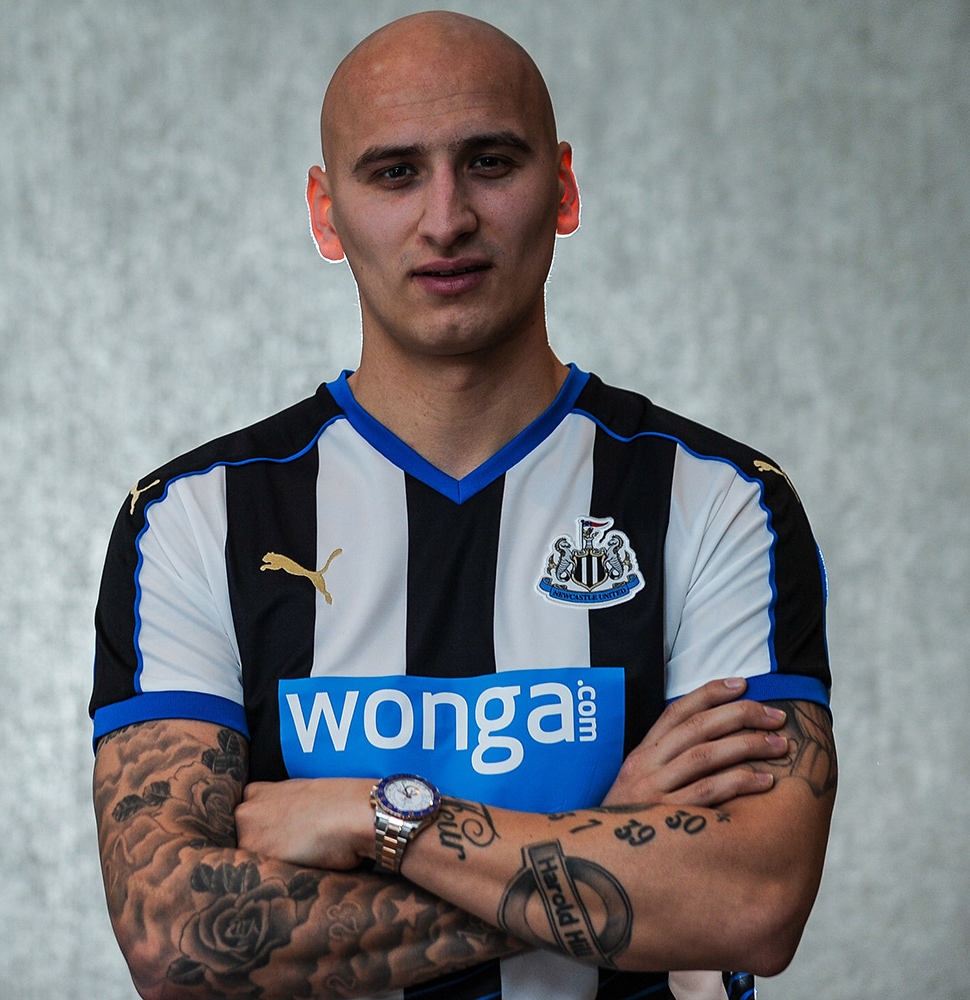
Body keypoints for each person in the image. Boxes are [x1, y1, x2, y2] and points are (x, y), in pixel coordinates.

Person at [89, 12, 836, 1000]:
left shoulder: (721, 502)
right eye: (394, 172)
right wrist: (609, 834)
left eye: (489, 162)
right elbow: (179, 942)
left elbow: (751, 900)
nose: (446, 219)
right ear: (326, 214)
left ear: (562, 188)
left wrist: (377, 820)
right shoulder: (196, 519)